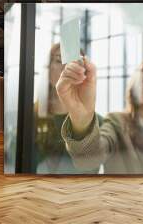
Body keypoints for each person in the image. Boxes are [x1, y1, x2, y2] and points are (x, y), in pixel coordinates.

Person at [33, 43, 102, 174]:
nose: (67, 67)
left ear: (84, 68)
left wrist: (82, 120)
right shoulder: (27, 115)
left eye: (73, 61)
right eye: (59, 60)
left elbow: (91, 169)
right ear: (48, 68)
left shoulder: (98, 123)